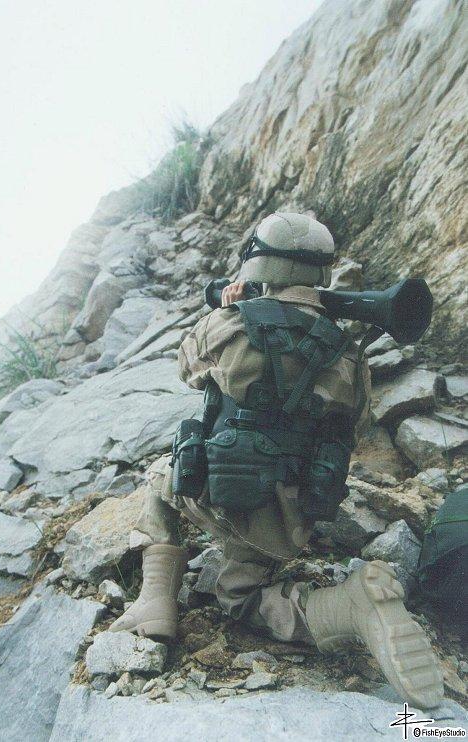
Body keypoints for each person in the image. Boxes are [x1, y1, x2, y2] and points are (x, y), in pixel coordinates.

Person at [109, 212, 444, 709]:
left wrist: (230, 310)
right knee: (245, 590)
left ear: (259, 263)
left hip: (219, 490)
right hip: (292, 516)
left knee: (161, 476)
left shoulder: (228, 324)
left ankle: (156, 602)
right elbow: (354, 428)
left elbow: (187, 369)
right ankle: (348, 606)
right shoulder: (348, 354)